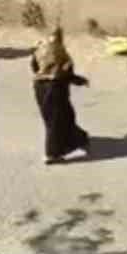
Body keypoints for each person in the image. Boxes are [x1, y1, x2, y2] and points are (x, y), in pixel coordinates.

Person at [31, 28, 90, 165]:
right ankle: (51, 153)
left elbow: (34, 67)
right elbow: (67, 73)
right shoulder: (61, 54)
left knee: (62, 117)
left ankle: (79, 139)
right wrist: (80, 81)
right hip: (55, 89)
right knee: (57, 121)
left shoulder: (38, 49)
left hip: (40, 88)